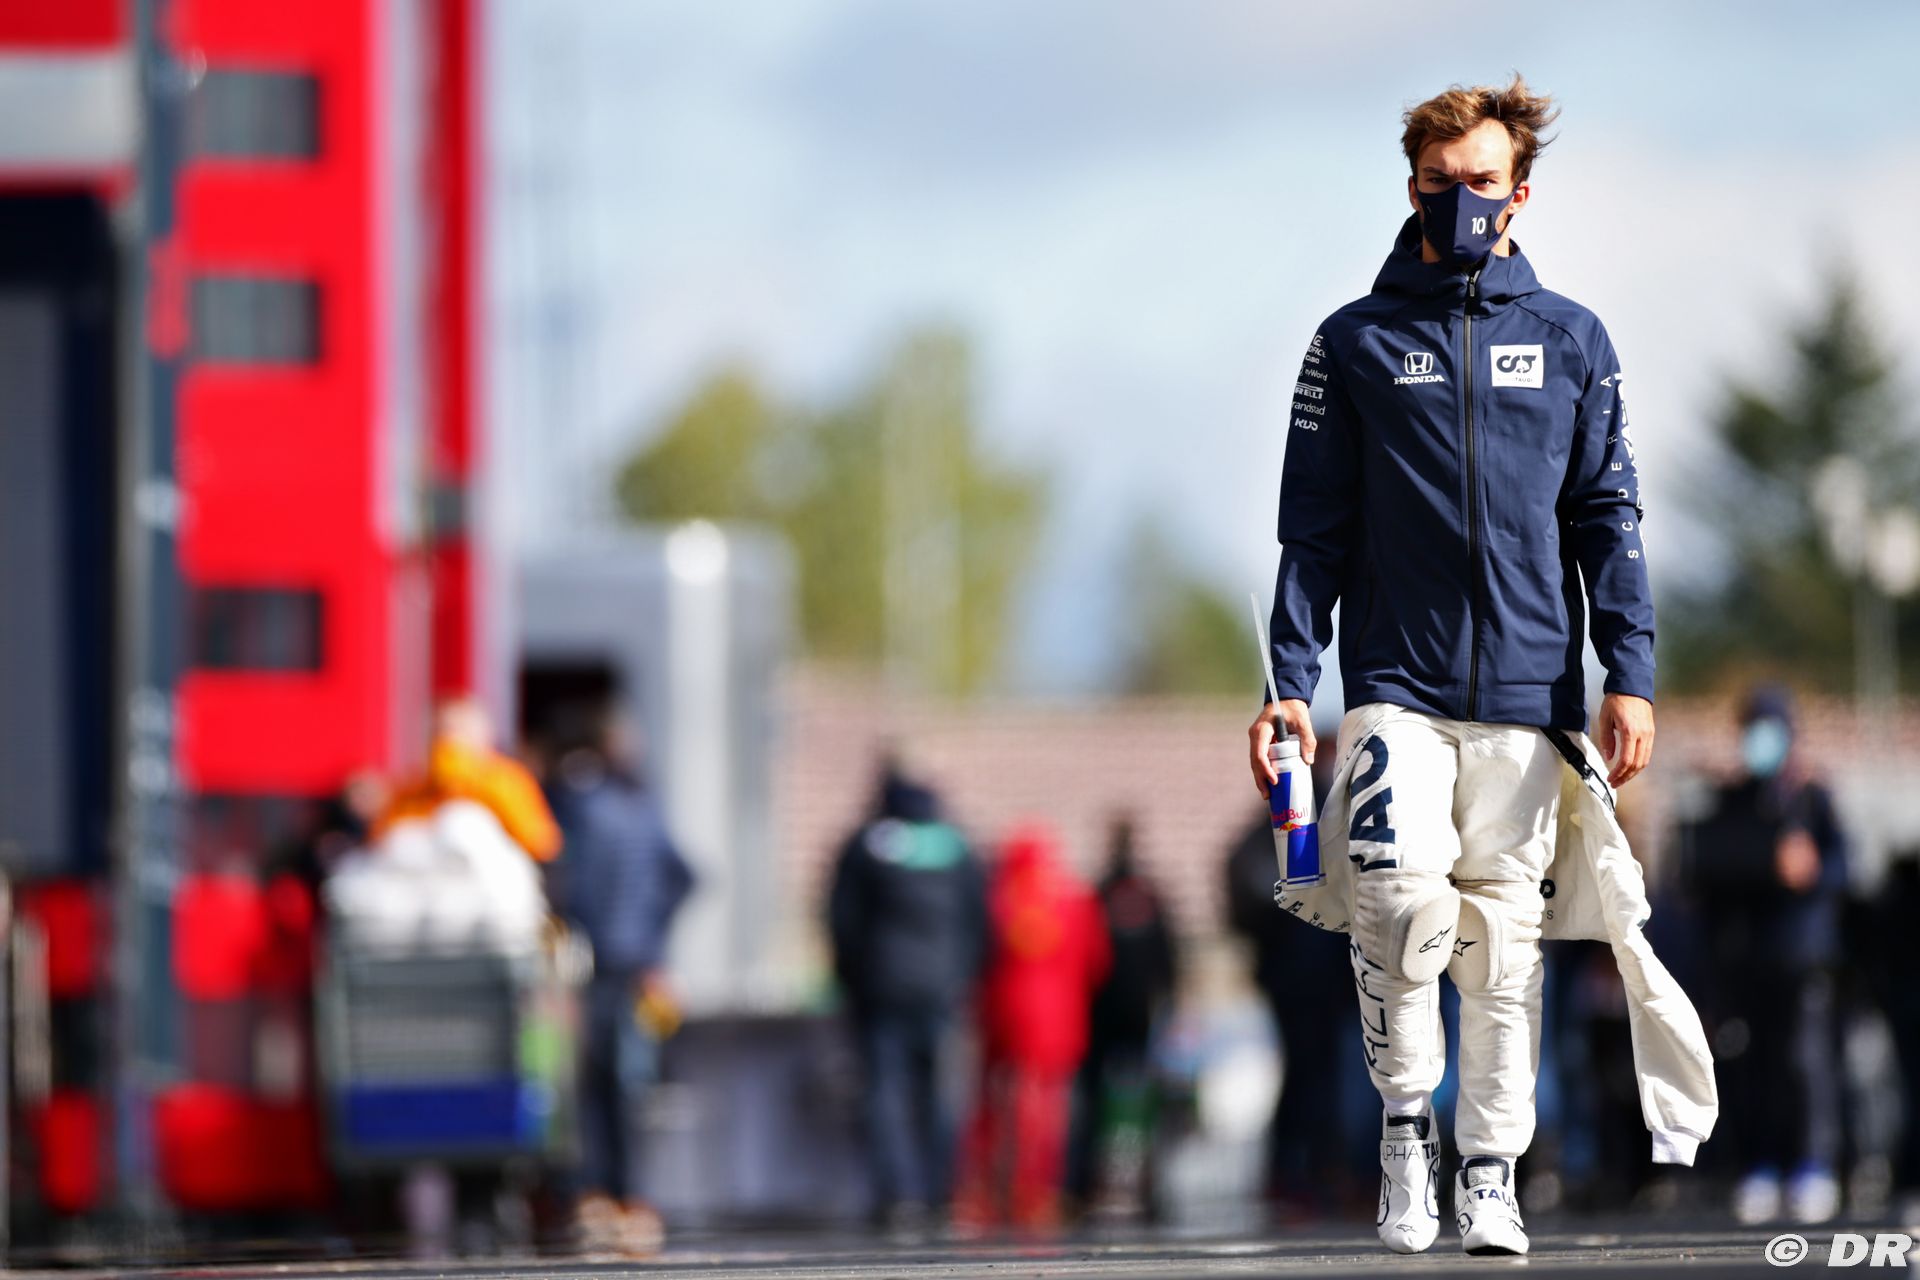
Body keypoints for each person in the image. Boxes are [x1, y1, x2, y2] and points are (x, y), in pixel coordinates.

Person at [1246, 76, 1656, 1256]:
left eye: (1481, 181)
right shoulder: (1353, 342)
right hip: (1394, 687)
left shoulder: (1574, 340)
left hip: (1531, 700)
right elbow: (1312, 531)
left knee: (1502, 949)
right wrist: (1287, 682)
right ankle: (1404, 1131)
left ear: (1521, 193)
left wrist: (1629, 669)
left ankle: (1490, 1168)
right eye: (1439, 182)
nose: (1459, 201)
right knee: (1393, 900)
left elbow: (1608, 516)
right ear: (1412, 185)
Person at [1679, 686, 1847, 1225]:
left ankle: (1814, 1165)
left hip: (1802, 956)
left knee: (1805, 1061)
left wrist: (1812, 868)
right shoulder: (1734, 798)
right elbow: (1709, 878)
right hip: (1746, 958)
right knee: (1752, 1065)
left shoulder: (1812, 797)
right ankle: (1760, 1166)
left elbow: (1842, 869)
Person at [543, 703, 695, 1255]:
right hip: (635, 966)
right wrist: (653, 937)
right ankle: (632, 1197)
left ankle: (595, 1194)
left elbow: (568, 884)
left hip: (593, 966)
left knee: (586, 1085)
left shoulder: (579, 805)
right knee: (628, 1084)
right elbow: (684, 875)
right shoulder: (643, 806)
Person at [827, 765, 988, 1233]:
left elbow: (843, 921)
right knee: (939, 1094)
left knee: (885, 1093)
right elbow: (979, 923)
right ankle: (940, 1192)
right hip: (941, 991)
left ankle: (898, 1195)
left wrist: (853, 981)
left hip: (882, 989)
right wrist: (961, 978)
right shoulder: (956, 846)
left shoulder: (867, 844)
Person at [956, 823, 1111, 1231]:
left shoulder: (997, 898)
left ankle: (985, 1193)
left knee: (992, 1105)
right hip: (1060, 1019)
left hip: (1001, 1015)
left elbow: (974, 956)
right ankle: (1035, 1194)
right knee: (1045, 1110)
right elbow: (1097, 961)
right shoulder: (1075, 900)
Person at [1072, 816, 1177, 1219]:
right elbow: (1168, 961)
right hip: (1134, 1013)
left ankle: (1089, 1184)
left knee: (1098, 1101)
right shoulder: (1147, 895)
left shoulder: (1099, 894)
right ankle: (1146, 1185)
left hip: (1103, 1012)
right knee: (1142, 1101)